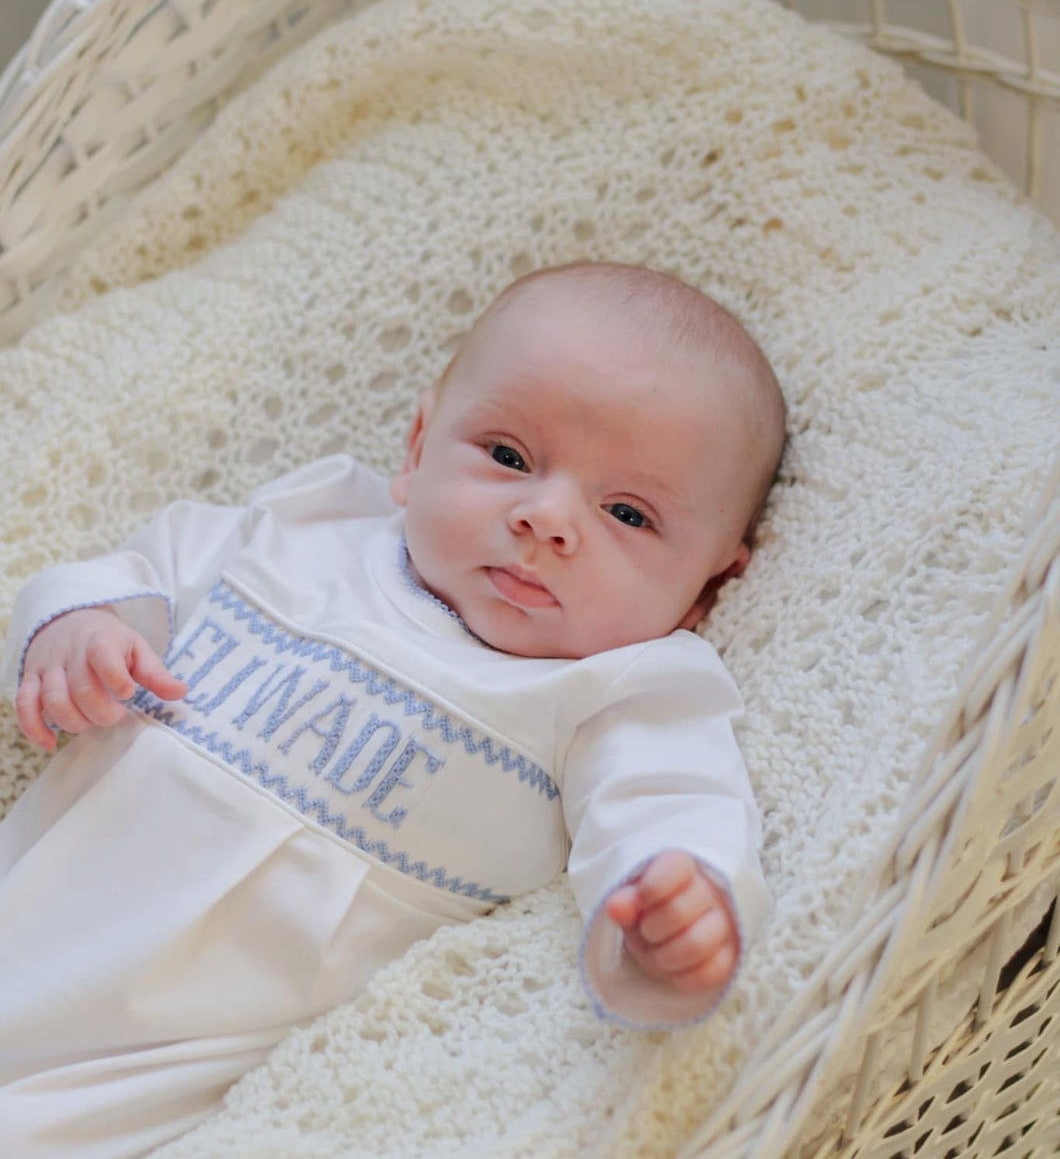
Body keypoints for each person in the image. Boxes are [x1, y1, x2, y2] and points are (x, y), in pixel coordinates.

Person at [0, 261, 786, 1159]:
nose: (547, 517)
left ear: (708, 589)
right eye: (508, 456)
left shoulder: (623, 690)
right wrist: (82, 624)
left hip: (136, 1075)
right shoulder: (309, 526)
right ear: (415, 449)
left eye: (628, 513)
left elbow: (673, 802)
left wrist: (672, 905)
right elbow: (142, 566)